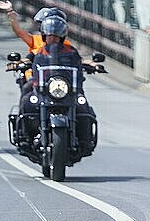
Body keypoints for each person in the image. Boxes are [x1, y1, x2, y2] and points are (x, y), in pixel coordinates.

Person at [20, 16, 95, 155]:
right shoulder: (39, 52)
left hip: (67, 90)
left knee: (84, 107)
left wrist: (92, 65)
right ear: (44, 36)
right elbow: (28, 59)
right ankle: (25, 138)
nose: (52, 39)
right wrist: (19, 63)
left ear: (61, 37)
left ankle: (85, 141)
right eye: (49, 36)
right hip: (44, 89)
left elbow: (80, 61)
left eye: (55, 36)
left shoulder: (71, 51)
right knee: (27, 102)